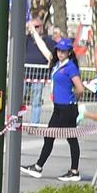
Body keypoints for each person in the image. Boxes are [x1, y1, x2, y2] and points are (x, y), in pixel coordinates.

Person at [24, 38, 85, 182]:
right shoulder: (58, 64)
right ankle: (39, 167)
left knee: (69, 137)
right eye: (58, 50)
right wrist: (33, 32)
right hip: (59, 107)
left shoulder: (70, 67)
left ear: (69, 52)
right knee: (52, 135)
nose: (60, 53)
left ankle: (72, 171)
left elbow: (80, 88)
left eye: (63, 51)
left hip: (67, 108)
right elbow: (44, 49)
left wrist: (73, 100)